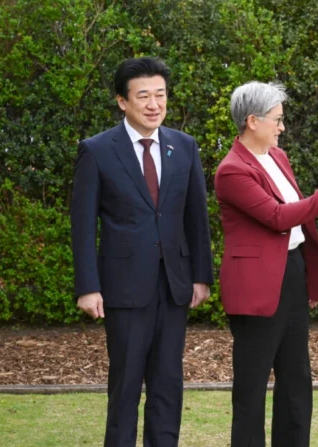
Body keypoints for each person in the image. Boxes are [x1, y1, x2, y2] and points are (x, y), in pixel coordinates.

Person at [70, 57, 214, 447]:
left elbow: (195, 217)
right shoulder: (97, 150)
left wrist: (201, 275)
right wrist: (88, 286)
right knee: (126, 387)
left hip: (174, 287)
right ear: (122, 101)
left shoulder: (183, 147)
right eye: (144, 96)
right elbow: (82, 226)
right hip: (123, 289)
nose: (154, 104)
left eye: (161, 95)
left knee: (168, 385)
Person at [213, 81, 318, 447]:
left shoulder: (278, 157)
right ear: (252, 121)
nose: (282, 127)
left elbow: (295, 225)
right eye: (277, 120)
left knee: (296, 378)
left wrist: (308, 277)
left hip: (290, 276)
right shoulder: (232, 170)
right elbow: (278, 216)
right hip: (255, 287)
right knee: (251, 386)